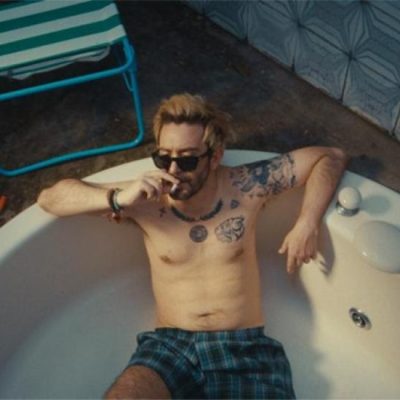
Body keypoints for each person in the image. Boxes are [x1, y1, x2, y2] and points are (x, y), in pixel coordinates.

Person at [38, 93, 349, 399]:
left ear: (214, 157)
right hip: (170, 348)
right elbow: (50, 199)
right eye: (164, 158)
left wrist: (307, 223)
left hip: (243, 349)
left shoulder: (247, 187)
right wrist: (118, 199)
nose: (173, 171)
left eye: (187, 160)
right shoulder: (145, 199)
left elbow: (330, 157)